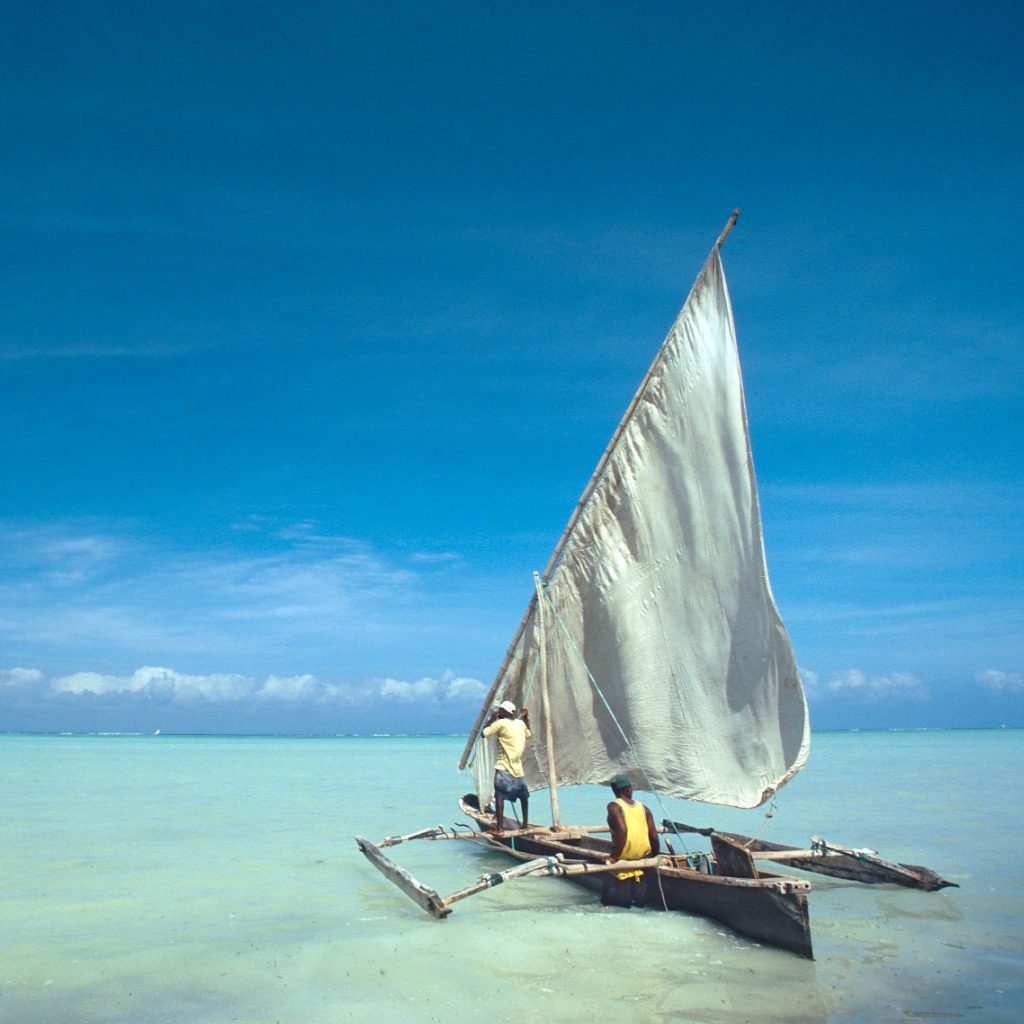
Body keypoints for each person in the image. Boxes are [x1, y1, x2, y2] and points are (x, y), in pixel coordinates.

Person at [602, 773, 660, 907]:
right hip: (642, 861)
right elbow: (653, 836)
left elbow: (622, 831)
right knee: (638, 905)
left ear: (615, 791)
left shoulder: (614, 806)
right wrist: (654, 856)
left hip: (622, 862)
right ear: (628, 790)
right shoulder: (644, 808)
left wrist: (613, 857)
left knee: (607, 903)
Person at [481, 700, 531, 833]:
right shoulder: (520, 723)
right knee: (523, 797)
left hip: (504, 767)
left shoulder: (500, 723)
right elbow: (528, 733)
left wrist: (491, 719)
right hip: (518, 769)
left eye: (500, 711)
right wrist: (526, 718)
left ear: (504, 712)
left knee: (499, 796)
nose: (499, 713)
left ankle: (499, 828)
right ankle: (525, 825)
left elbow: (484, 733)